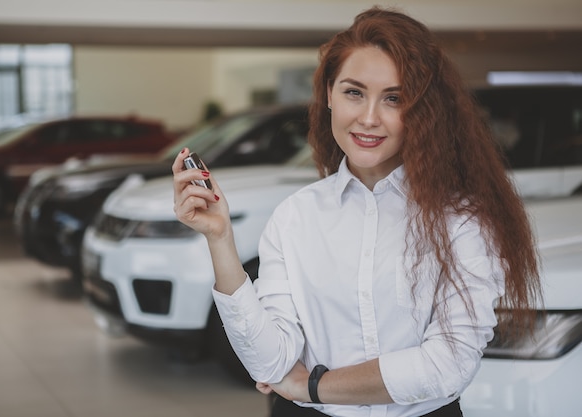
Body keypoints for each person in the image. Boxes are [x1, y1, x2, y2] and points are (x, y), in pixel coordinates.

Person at [172, 5, 542, 417]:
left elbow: (447, 365)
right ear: (329, 93)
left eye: (394, 98)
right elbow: (270, 363)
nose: (369, 118)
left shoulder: (463, 221)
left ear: (422, 110)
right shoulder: (295, 216)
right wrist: (220, 239)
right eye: (354, 92)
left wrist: (310, 386)